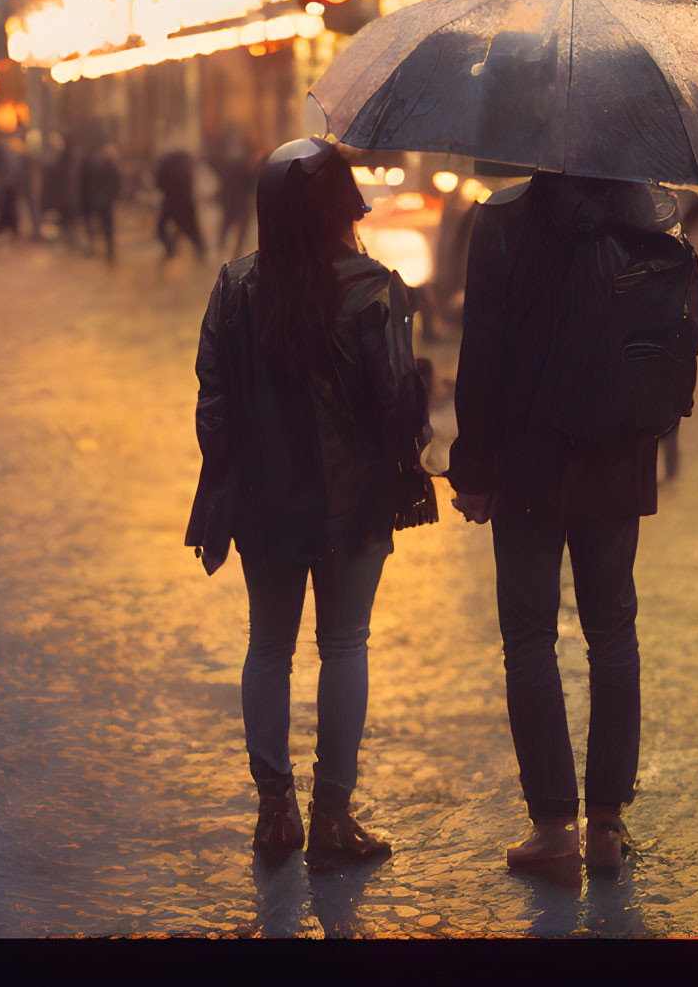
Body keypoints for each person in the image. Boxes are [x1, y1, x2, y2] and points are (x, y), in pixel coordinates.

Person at [186, 138, 436, 868]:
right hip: (351, 506)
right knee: (343, 645)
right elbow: (395, 410)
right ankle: (332, 816)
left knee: (268, 646)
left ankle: (274, 814)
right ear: (340, 210)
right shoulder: (373, 289)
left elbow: (213, 404)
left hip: (262, 505)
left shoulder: (234, 288)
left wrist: (232, 476)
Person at [448, 170, 698, 883]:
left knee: (529, 635)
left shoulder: (502, 221)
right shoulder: (650, 212)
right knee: (611, 629)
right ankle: (607, 826)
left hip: (527, 456)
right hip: (613, 454)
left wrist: (473, 463)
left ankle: (554, 830)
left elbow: (482, 350)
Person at [210, 127, 258, 260]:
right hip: (237, 197)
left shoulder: (242, 153)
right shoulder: (240, 155)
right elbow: (250, 176)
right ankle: (225, 250)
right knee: (231, 225)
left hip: (238, 197)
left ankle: (230, 251)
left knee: (233, 226)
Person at [155, 147, 205, 263]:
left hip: (174, 203)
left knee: (165, 229)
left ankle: (172, 250)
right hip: (183, 203)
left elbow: (160, 182)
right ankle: (198, 252)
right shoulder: (186, 167)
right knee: (191, 231)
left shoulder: (171, 168)